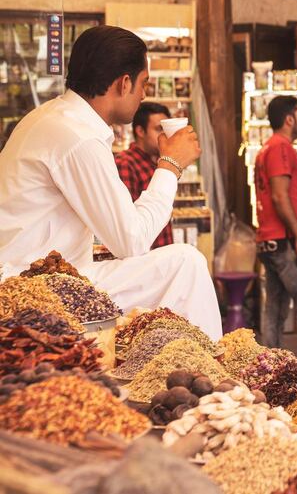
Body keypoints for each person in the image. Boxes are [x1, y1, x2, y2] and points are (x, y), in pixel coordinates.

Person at [0, 26, 222, 339]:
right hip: (30, 289)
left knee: (177, 263)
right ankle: (209, 375)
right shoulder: (77, 137)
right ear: (124, 83)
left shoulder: (51, 117)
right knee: (186, 262)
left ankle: (178, 361)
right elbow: (131, 240)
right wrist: (170, 165)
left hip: (44, 277)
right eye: (143, 84)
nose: (144, 95)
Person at [255, 95, 297, 366]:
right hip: (285, 243)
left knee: (276, 309)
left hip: (271, 241)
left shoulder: (266, 148)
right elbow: (280, 197)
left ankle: (268, 368)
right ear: (290, 118)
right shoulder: (280, 148)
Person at [115, 102, 174, 249]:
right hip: (146, 260)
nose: (165, 136)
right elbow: (127, 226)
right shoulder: (125, 163)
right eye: (159, 129)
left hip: (162, 256)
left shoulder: (157, 162)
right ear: (140, 131)